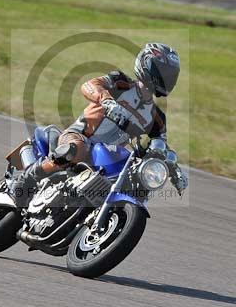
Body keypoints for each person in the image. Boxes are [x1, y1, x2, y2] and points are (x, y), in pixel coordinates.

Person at [10, 42, 181, 206]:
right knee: (77, 148)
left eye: (170, 75)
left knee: (131, 181)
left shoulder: (156, 117)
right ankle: (29, 178)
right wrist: (106, 100)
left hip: (104, 155)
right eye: (163, 72)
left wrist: (173, 167)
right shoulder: (121, 82)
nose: (166, 78)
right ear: (147, 65)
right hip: (80, 136)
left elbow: (160, 144)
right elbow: (89, 85)